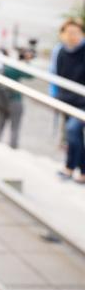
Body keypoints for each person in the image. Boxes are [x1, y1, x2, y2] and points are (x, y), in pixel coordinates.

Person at [55, 19, 85, 183]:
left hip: (82, 102)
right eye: (69, 33)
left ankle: (70, 167)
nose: (72, 36)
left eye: (76, 32)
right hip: (67, 100)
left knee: (73, 131)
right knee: (74, 135)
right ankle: (77, 169)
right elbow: (58, 76)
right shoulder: (61, 51)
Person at [0, 50, 32, 149]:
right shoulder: (13, 68)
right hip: (15, 100)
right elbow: (30, 75)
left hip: (1, 101)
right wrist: (27, 60)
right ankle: (13, 148)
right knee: (15, 128)